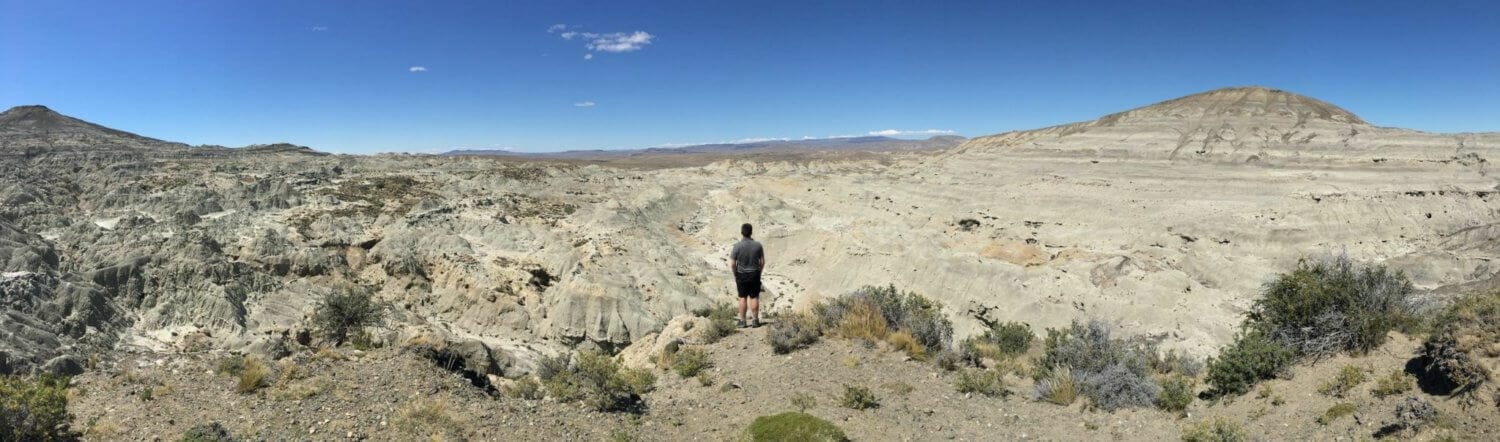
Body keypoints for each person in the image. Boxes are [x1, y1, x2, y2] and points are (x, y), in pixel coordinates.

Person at [728, 223, 765, 328]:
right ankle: (755, 320)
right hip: (754, 274)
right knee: (754, 297)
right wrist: (759, 272)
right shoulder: (758, 245)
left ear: (742, 232)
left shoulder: (737, 246)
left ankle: (743, 321)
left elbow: (732, 264)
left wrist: (736, 274)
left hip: (741, 275)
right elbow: (762, 262)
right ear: (751, 232)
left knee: (742, 298)